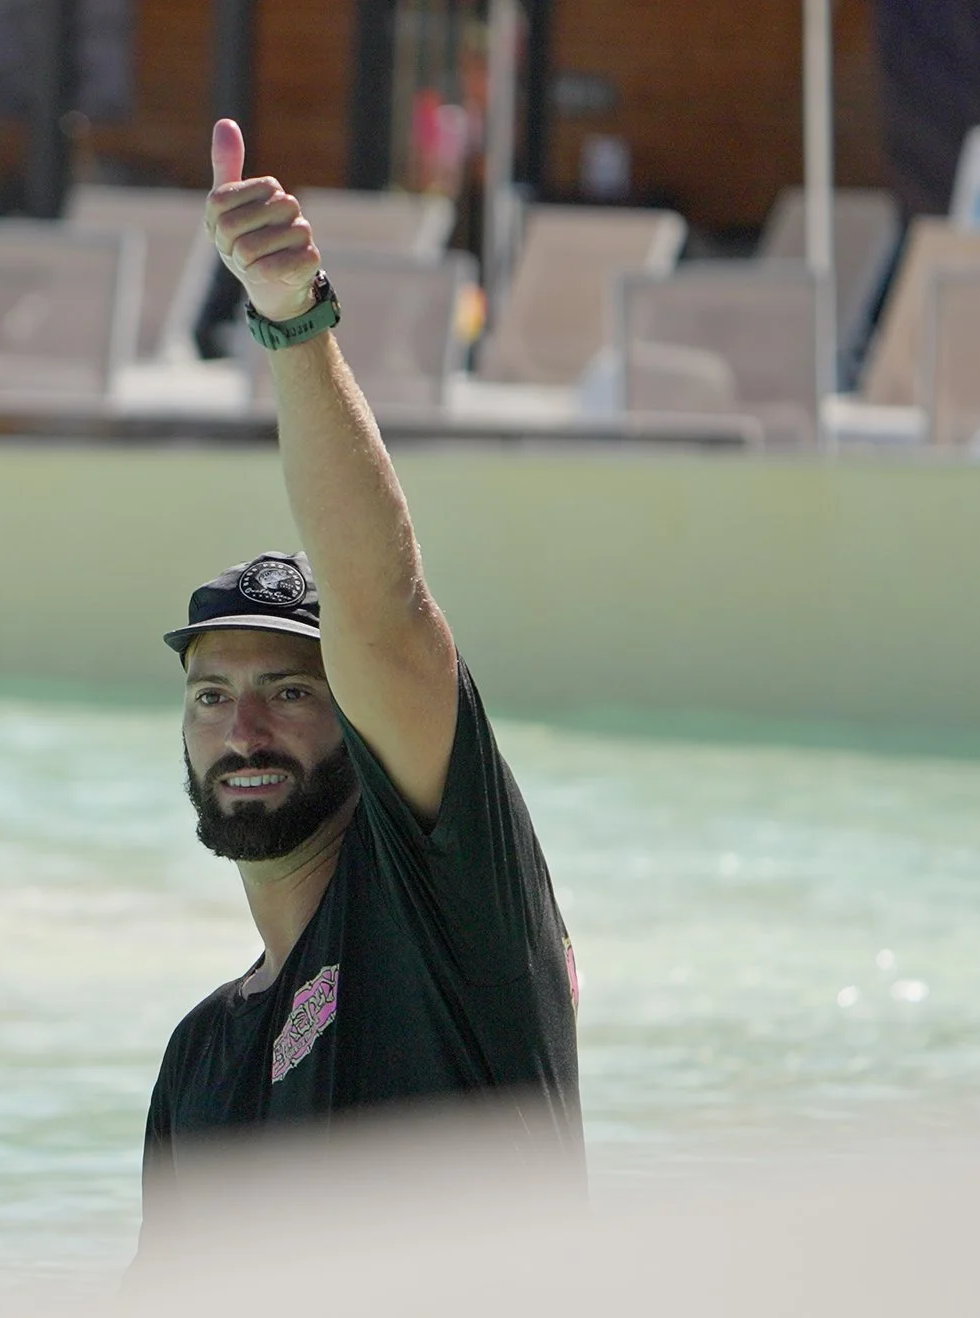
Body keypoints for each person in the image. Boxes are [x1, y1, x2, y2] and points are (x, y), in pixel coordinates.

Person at [136, 121, 582, 1261]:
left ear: (359, 713)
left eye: (289, 689)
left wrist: (292, 321)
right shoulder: (200, 1057)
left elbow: (382, 608)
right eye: (209, 697)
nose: (242, 726)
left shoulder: (442, 905)